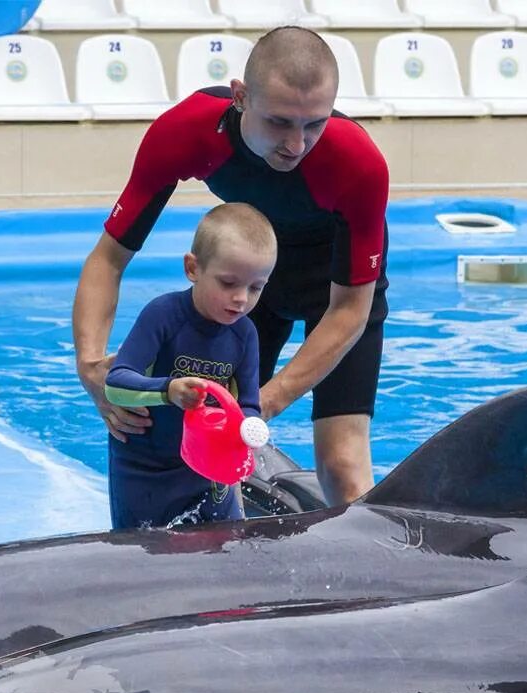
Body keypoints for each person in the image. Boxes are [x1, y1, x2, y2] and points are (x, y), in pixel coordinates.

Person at [73, 26, 390, 507]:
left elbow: (350, 309)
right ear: (241, 97)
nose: (297, 144)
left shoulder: (358, 162)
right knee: (191, 436)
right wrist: (91, 367)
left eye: (314, 124)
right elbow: (109, 257)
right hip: (248, 282)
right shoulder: (188, 130)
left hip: (334, 289)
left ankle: (373, 579)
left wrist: (269, 399)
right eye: (280, 122)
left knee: (342, 465)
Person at [104, 203, 276, 528]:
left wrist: (250, 426)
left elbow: (248, 404)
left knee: (226, 549)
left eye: (256, 287)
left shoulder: (245, 334)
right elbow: (116, 383)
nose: (242, 298)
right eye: (228, 283)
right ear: (193, 268)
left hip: (205, 470)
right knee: (142, 557)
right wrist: (168, 390)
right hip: (144, 468)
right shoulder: (163, 316)